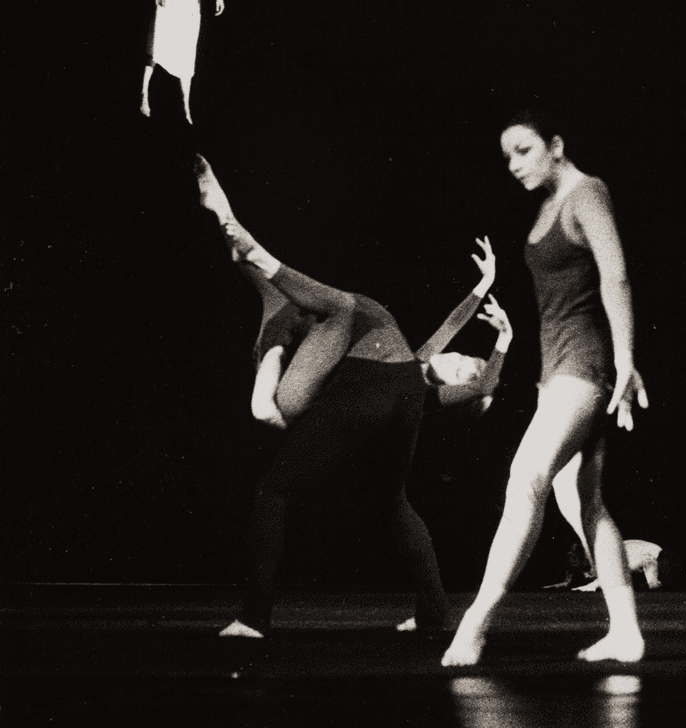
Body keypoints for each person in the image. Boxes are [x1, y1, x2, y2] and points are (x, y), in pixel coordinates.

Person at [193, 156, 511, 639]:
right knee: (394, 504)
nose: (458, 359)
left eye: (463, 368)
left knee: (275, 489)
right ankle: (435, 613)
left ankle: (253, 618)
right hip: (368, 393)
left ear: (455, 388)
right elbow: (447, 331)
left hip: (358, 384)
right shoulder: (415, 367)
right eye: (465, 357)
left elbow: (484, 385)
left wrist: (502, 345)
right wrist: (481, 288)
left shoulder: (431, 389)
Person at [442, 111, 649, 666]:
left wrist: (626, 359)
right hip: (559, 370)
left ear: (556, 144)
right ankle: (626, 629)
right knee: (582, 501)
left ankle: (474, 623)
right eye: (507, 155)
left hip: (585, 367)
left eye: (524, 150)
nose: (514, 165)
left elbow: (616, 275)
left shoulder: (586, 194)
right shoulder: (547, 207)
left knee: (525, 476)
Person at [141, 0, 224, 124]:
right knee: (156, 43)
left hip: (189, 5)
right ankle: (143, 94)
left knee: (187, 55)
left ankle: (185, 106)